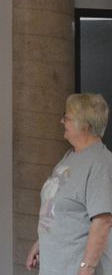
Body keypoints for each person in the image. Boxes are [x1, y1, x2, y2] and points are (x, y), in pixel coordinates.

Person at [26, 93, 112, 275]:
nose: (61, 121)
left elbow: (103, 221)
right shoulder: (70, 157)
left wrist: (86, 267)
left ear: (85, 125)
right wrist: (41, 242)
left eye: (67, 118)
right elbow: (60, 210)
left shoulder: (100, 163)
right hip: (55, 266)